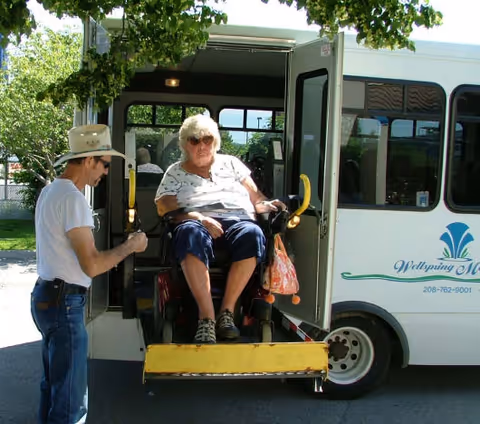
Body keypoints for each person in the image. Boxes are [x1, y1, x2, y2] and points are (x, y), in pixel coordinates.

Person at [30, 124, 148, 424]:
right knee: (70, 402)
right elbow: (92, 265)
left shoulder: (50, 191)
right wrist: (130, 246)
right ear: (88, 159)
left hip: (47, 295)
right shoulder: (72, 199)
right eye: (104, 164)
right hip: (65, 303)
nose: (106, 172)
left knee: (54, 387)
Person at [154, 114, 284, 344]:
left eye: (207, 139)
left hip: (237, 220)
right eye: (194, 140)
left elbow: (256, 199)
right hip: (196, 221)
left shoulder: (232, 164)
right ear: (185, 144)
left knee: (253, 234)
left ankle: (226, 313)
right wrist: (197, 216)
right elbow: (163, 206)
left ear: (216, 142)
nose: (202, 145)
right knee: (189, 232)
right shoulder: (175, 171)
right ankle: (206, 318)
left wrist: (270, 205)